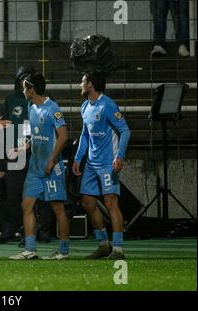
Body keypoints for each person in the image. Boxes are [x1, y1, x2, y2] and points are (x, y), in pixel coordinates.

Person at [9, 72, 70, 260]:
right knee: (26, 205)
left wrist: (52, 160)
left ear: (32, 89)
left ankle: (64, 251)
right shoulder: (31, 106)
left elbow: (64, 136)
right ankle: (30, 249)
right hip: (35, 168)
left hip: (51, 168)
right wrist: (22, 148)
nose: (22, 90)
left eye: (24, 87)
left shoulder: (53, 109)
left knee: (58, 208)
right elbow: (34, 137)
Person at [72, 71, 130, 260]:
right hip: (91, 163)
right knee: (88, 202)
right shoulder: (84, 106)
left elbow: (125, 131)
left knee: (111, 203)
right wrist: (78, 158)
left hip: (107, 163)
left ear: (90, 84)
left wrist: (119, 156)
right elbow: (85, 135)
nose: (80, 84)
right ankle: (104, 244)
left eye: (82, 81)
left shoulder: (107, 105)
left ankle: (119, 249)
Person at [0, 65, 35, 242]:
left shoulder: (41, 100)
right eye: (22, 78)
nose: (25, 81)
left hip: (36, 154)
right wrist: (1, 160)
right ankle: (11, 228)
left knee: (38, 196)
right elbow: (1, 130)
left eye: (28, 78)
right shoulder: (10, 101)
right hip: (15, 154)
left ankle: (39, 230)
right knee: (12, 194)